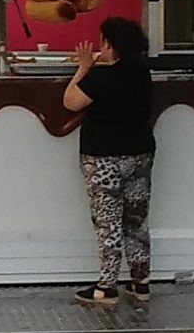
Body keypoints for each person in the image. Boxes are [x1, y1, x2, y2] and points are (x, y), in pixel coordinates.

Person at [63, 16, 155, 308]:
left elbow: (70, 102)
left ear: (111, 46)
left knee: (108, 222)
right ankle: (141, 282)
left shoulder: (101, 78)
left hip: (104, 158)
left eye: (103, 42)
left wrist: (83, 67)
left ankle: (107, 287)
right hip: (140, 154)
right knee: (136, 219)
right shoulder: (142, 73)